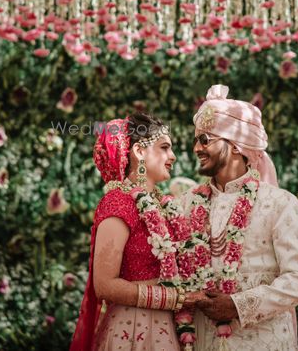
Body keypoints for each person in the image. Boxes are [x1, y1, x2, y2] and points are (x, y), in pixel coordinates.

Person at [180, 85, 298, 351]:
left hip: (264, 342)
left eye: (205, 139)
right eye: (196, 139)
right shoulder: (185, 204)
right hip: (201, 342)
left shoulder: (279, 203)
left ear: (236, 146)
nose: (197, 148)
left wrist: (238, 305)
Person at [70, 113, 204, 351]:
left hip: (170, 329)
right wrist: (175, 297)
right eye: (164, 147)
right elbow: (105, 285)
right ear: (139, 152)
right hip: (133, 331)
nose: (172, 156)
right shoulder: (118, 203)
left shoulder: (166, 206)